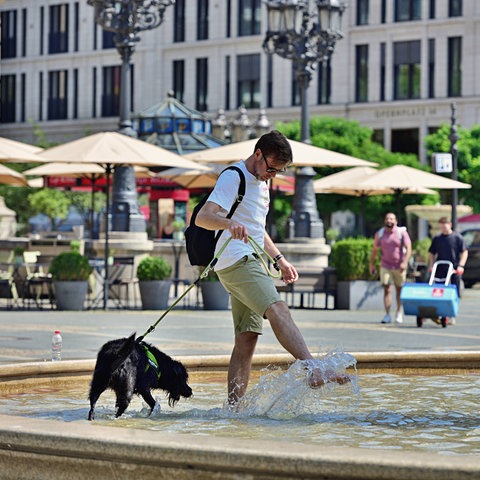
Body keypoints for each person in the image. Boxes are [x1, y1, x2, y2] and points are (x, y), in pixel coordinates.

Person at [195, 130, 350, 405]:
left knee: (247, 338)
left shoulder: (262, 182)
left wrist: (279, 258)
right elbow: (203, 217)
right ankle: (312, 367)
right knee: (277, 307)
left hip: (251, 258)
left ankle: (234, 410)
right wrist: (229, 223)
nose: (273, 175)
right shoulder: (234, 176)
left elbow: (257, 229)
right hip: (234, 258)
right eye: (271, 168)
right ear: (258, 154)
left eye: (279, 171)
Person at [369, 212, 412, 324]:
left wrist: (405, 262)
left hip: (399, 266)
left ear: (396, 221)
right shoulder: (380, 234)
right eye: (387, 219)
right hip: (385, 265)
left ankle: (399, 312)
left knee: (399, 289)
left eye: (392, 219)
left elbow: (408, 248)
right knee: (387, 289)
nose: (389, 221)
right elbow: (375, 250)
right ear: (385, 221)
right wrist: (371, 264)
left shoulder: (401, 233)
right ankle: (387, 314)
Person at [428, 216, 468, 324]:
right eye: (441, 227)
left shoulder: (457, 237)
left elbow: (464, 252)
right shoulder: (437, 238)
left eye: (445, 227)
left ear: (449, 225)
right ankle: (438, 312)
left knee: (455, 291)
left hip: (454, 268)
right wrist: (431, 265)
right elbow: (431, 252)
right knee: (438, 290)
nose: (443, 229)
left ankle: (452, 315)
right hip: (440, 267)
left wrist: (461, 266)